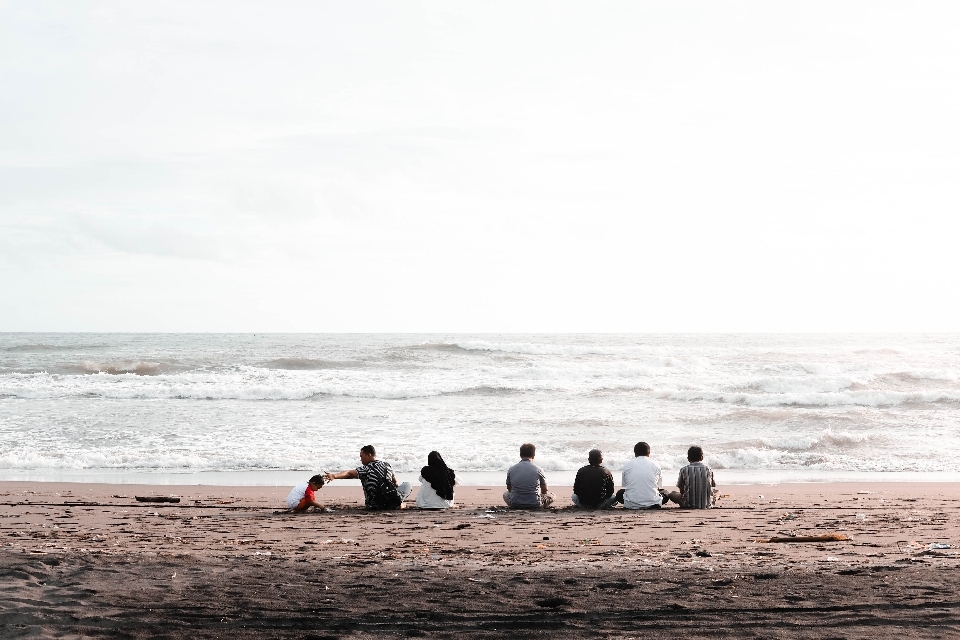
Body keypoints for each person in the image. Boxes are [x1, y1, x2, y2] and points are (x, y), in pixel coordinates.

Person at [324, 445, 413, 510]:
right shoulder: (387, 465)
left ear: (368, 455)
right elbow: (395, 483)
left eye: (361, 456)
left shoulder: (366, 469)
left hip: (373, 505)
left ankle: (395, 503)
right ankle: (397, 503)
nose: (360, 460)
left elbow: (349, 473)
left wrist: (334, 476)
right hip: (390, 499)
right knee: (407, 484)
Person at [617, 441, 668, 509]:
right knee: (666, 493)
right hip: (653, 503)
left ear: (635, 453)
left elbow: (626, 486)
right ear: (649, 453)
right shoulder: (656, 465)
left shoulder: (627, 465)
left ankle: (634, 503)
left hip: (631, 504)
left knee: (619, 493)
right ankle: (651, 502)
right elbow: (658, 487)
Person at [503, 443, 555, 509]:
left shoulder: (512, 469)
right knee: (553, 495)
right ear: (533, 455)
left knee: (505, 494)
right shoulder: (538, 469)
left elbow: (509, 488)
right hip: (535, 504)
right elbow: (545, 490)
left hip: (515, 503)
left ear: (520, 455)